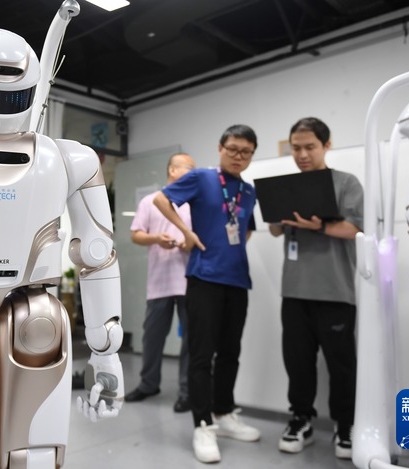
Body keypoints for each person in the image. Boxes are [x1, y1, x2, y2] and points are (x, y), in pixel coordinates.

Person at [153, 125, 261, 464]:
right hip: (204, 278)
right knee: (202, 354)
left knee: (230, 352)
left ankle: (224, 412)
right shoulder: (201, 178)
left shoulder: (248, 190)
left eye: (246, 152)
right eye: (233, 149)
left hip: (237, 281)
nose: (238, 156)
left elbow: (246, 229)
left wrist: (230, 250)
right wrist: (186, 232)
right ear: (220, 148)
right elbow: (161, 199)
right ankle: (203, 424)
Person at [268, 117, 363, 460]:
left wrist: (319, 226)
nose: (303, 154)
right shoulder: (287, 185)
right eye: (296, 148)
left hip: (335, 292)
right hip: (294, 291)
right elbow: (276, 230)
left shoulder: (346, 182)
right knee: (298, 363)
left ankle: (346, 425)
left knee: (341, 365)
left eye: (310, 147)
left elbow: (354, 229)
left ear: (327, 145)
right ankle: (301, 420)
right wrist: (281, 214)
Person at [124, 153, 196, 413]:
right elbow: (136, 235)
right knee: (152, 337)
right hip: (159, 283)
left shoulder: (194, 202)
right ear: (172, 170)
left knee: (191, 340)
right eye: (189, 168)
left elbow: (201, 237)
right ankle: (148, 384)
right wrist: (156, 238)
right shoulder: (150, 201)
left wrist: (188, 242)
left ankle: (187, 391)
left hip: (189, 280)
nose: (193, 172)